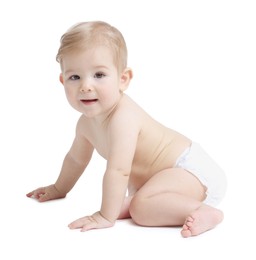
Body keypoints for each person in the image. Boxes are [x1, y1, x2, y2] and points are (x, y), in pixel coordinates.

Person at [26, 21, 227, 238]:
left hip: (190, 172)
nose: (85, 86)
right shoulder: (85, 125)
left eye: (99, 75)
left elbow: (119, 170)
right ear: (62, 80)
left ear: (123, 79)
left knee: (141, 209)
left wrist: (105, 216)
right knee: (127, 205)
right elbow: (76, 160)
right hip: (161, 179)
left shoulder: (123, 118)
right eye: (75, 77)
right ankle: (158, 202)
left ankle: (204, 211)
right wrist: (59, 188)